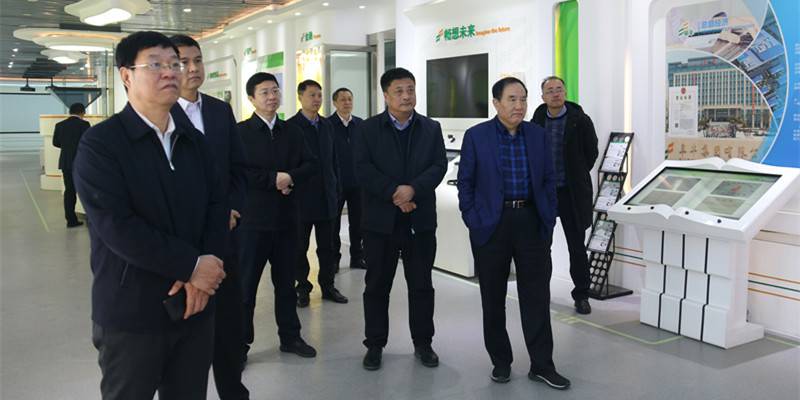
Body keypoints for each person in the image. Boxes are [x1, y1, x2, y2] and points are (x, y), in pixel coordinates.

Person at [73, 31, 227, 399]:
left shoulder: (194, 141)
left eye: (175, 64)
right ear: (126, 75)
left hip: (195, 307)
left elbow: (217, 206)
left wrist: (204, 271)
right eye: (155, 65)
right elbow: (117, 226)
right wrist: (191, 266)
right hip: (132, 311)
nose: (171, 72)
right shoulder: (101, 144)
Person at [457, 77, 570, 390]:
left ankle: (542, 365)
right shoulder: (477, 136)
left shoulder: (537, 135)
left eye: (523, 99)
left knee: (536, 296)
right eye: (511, 99)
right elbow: (465, 182)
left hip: (531, 221)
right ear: (496, 103)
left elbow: (549, 179)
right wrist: (473, 218)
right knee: (493, 298)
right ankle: (501, 361)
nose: (519, 106)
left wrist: (547, 217)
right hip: (492, 224)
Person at [169, 34, 249, 399]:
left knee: (229, 327)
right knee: (188, 335)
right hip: (183, 243)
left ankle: (233, 391)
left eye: (197, 60)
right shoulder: (162, 114)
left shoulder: (219, 110)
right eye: (183, 62)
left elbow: (238, 168)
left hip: (225, 237)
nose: (193, 68)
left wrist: (231, 209)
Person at [354, 67, 447, 371]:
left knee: (421, 286)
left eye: (410, 90)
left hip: (420, 221)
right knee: (377, 286)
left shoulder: (430, 128)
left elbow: (438, 166)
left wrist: (413, 190)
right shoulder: (368, 129)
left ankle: (423, 343)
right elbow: (362, 168)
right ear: (386, 95)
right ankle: (375, 344)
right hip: (380, 223)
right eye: (399, 91)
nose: (407, 96)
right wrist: (395, 193)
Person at [237, 72, 318, 360]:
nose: (272, 97)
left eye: (275, 91)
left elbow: (311, 164)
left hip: (287, 220)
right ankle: (240, 345)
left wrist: (290, 177)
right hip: (253, 223)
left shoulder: (292, 131)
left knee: (286, 285)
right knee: (245, 287)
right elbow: (238, 172)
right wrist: (273, 180)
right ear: (251, 98)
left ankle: (291, 337)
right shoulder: (241, 133)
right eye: (264, 92)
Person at [531, 76, 598, 315]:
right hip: (545, 193)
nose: (555, 94)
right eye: (550, 91)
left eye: (559, 89)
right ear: (543, 97)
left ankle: (582, 295)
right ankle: (541, 293)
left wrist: (575, 174)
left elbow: (591, 153)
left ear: (565, 92)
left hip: (571, 194)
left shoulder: (580, 120)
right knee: (541, 247)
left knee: (576, 247)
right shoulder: (536, 121)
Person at [287, 79, 348, 307]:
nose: (316, 99)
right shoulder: (291, 127)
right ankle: (302, 287)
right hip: (301, 198)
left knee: (328, 247)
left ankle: (328, 286)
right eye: (312, 95)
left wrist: (337, 188)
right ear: (300, 97)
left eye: (319, 95)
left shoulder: (327, 125)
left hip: (327, 196)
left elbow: (334, 160)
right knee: (299, 247)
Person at [329, 87, 366, 271]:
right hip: (336, 183)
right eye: (343, 99)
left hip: (358, 183)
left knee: (358, 222)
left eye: (350, 99)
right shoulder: (328, 125)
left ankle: (357, 257)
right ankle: (334, 259)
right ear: (335, 103)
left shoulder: (361, 124)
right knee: (333, 223)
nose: (347, 103)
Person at [52, 102, 90, 228]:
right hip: (81, 163)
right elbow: (88, 143)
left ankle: (71, 220)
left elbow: (55, 142)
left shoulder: (60, 125)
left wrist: (67, 147)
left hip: (66, 163)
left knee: (69, 191)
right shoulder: (84, 125)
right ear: (82, 112)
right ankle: (90, 219)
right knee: (86, 191)